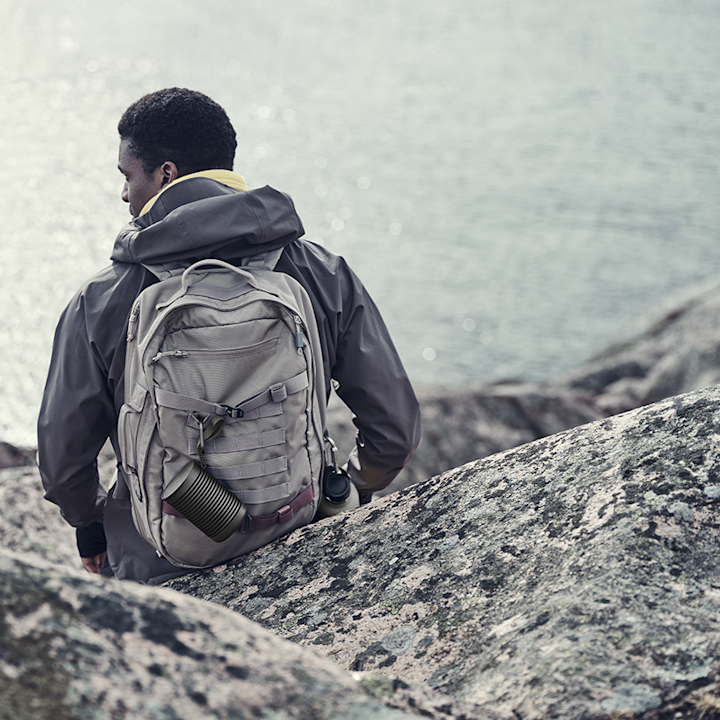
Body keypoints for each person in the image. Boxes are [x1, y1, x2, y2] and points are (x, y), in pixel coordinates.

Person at [37, 88, 421, 585]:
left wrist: (90, 524)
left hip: (160, 562)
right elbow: (395, 429)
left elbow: (63, 462)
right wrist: (349, 488)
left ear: (166, 175)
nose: (124, 195)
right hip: (299, 531)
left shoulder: (100, 299)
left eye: (127, 176)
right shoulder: (321, 271)